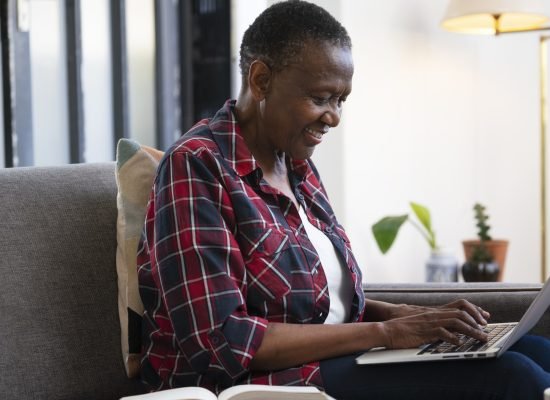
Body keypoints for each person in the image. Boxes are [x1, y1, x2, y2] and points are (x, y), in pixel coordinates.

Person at [137, 1, 550, 399]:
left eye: (340, 100)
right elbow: (221, 340)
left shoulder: (296, 166)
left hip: (332, 359)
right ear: (261, 80)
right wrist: (386, 334)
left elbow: (316, 303)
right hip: (257, 384)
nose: (333, 116)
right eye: (320, 98)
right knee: (515, 377)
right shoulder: (197, 166)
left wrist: (398, 314)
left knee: (537, 352)